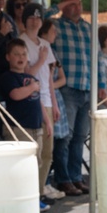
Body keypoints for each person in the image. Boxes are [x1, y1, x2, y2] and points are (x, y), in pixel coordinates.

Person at [46, 0, 105, 197]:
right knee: (65, 136)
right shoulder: (57, 27)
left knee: (80, 136)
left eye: (78, 3)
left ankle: (76, 177)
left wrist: (101, 84)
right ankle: (63, 179)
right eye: (71, 4)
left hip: (87, 88)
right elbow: (40, 19)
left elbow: (97, 59)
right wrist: (60, 6)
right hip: (67, 89)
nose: (76, 7)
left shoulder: (89, 28)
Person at [0, 38, 48, 212]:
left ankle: (34, 197)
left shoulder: (30, 77)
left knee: (36, 164)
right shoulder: (8, 77)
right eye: (16, 54)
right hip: (19, 128)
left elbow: (38, 101)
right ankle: (18, 198)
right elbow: (15, 95)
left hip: (36, 127)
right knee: (20, 166)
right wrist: (33, 87)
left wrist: (47, 121)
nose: (21, 58)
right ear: (8, 57)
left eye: (24, 54)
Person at [21, 4, 62, 201]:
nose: (35, 21)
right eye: (31, 17)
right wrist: (41, 60)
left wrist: (54, 104)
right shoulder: (21, 43)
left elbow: (49, 78)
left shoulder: (45, 44)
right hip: (32, 100)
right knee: (36, 153)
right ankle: (33, 195)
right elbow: (28, 73)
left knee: (48, 152)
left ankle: (39, 191)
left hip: (46, 98)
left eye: (38, 17)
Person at [41, 19, 70, 196]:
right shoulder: (41, 50)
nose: (56, 34)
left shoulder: (52, 52)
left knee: (58, 141)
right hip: (44, 99)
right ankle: (44, 183)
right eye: (53, 31)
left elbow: (60, 79)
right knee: (46, 143)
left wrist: (51, 85)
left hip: (54, 98)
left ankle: (48, 182)